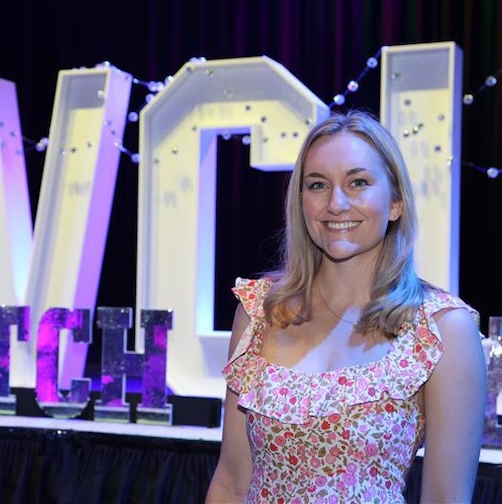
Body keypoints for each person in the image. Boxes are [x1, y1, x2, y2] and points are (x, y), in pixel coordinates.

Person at [205, 109, 487, 503]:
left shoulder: (442, 330)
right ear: (301, 202)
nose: (336, 203)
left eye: (358, 182)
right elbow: (231, 482)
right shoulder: (260, 313)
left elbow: (445, 499)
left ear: (395, 203)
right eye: (318, 185)